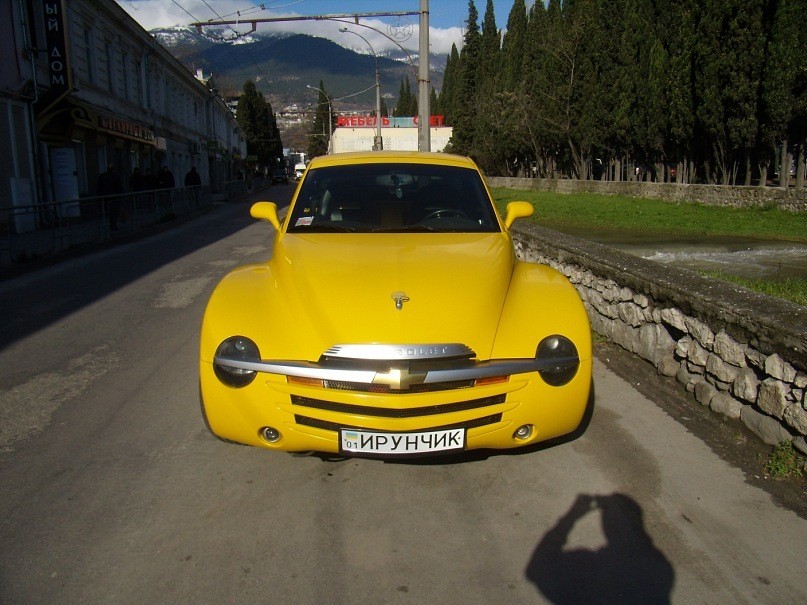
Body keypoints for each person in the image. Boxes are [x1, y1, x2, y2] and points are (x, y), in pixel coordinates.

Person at [97, 166, 123, 230]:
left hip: (105, 197)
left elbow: (99, 187)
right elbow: (119, 187)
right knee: (114, 211)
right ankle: (113, 225)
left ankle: (107, 225)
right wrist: (120, 196)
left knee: (107, 211)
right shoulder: (116, 176)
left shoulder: (102, 176)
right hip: (114, 197)